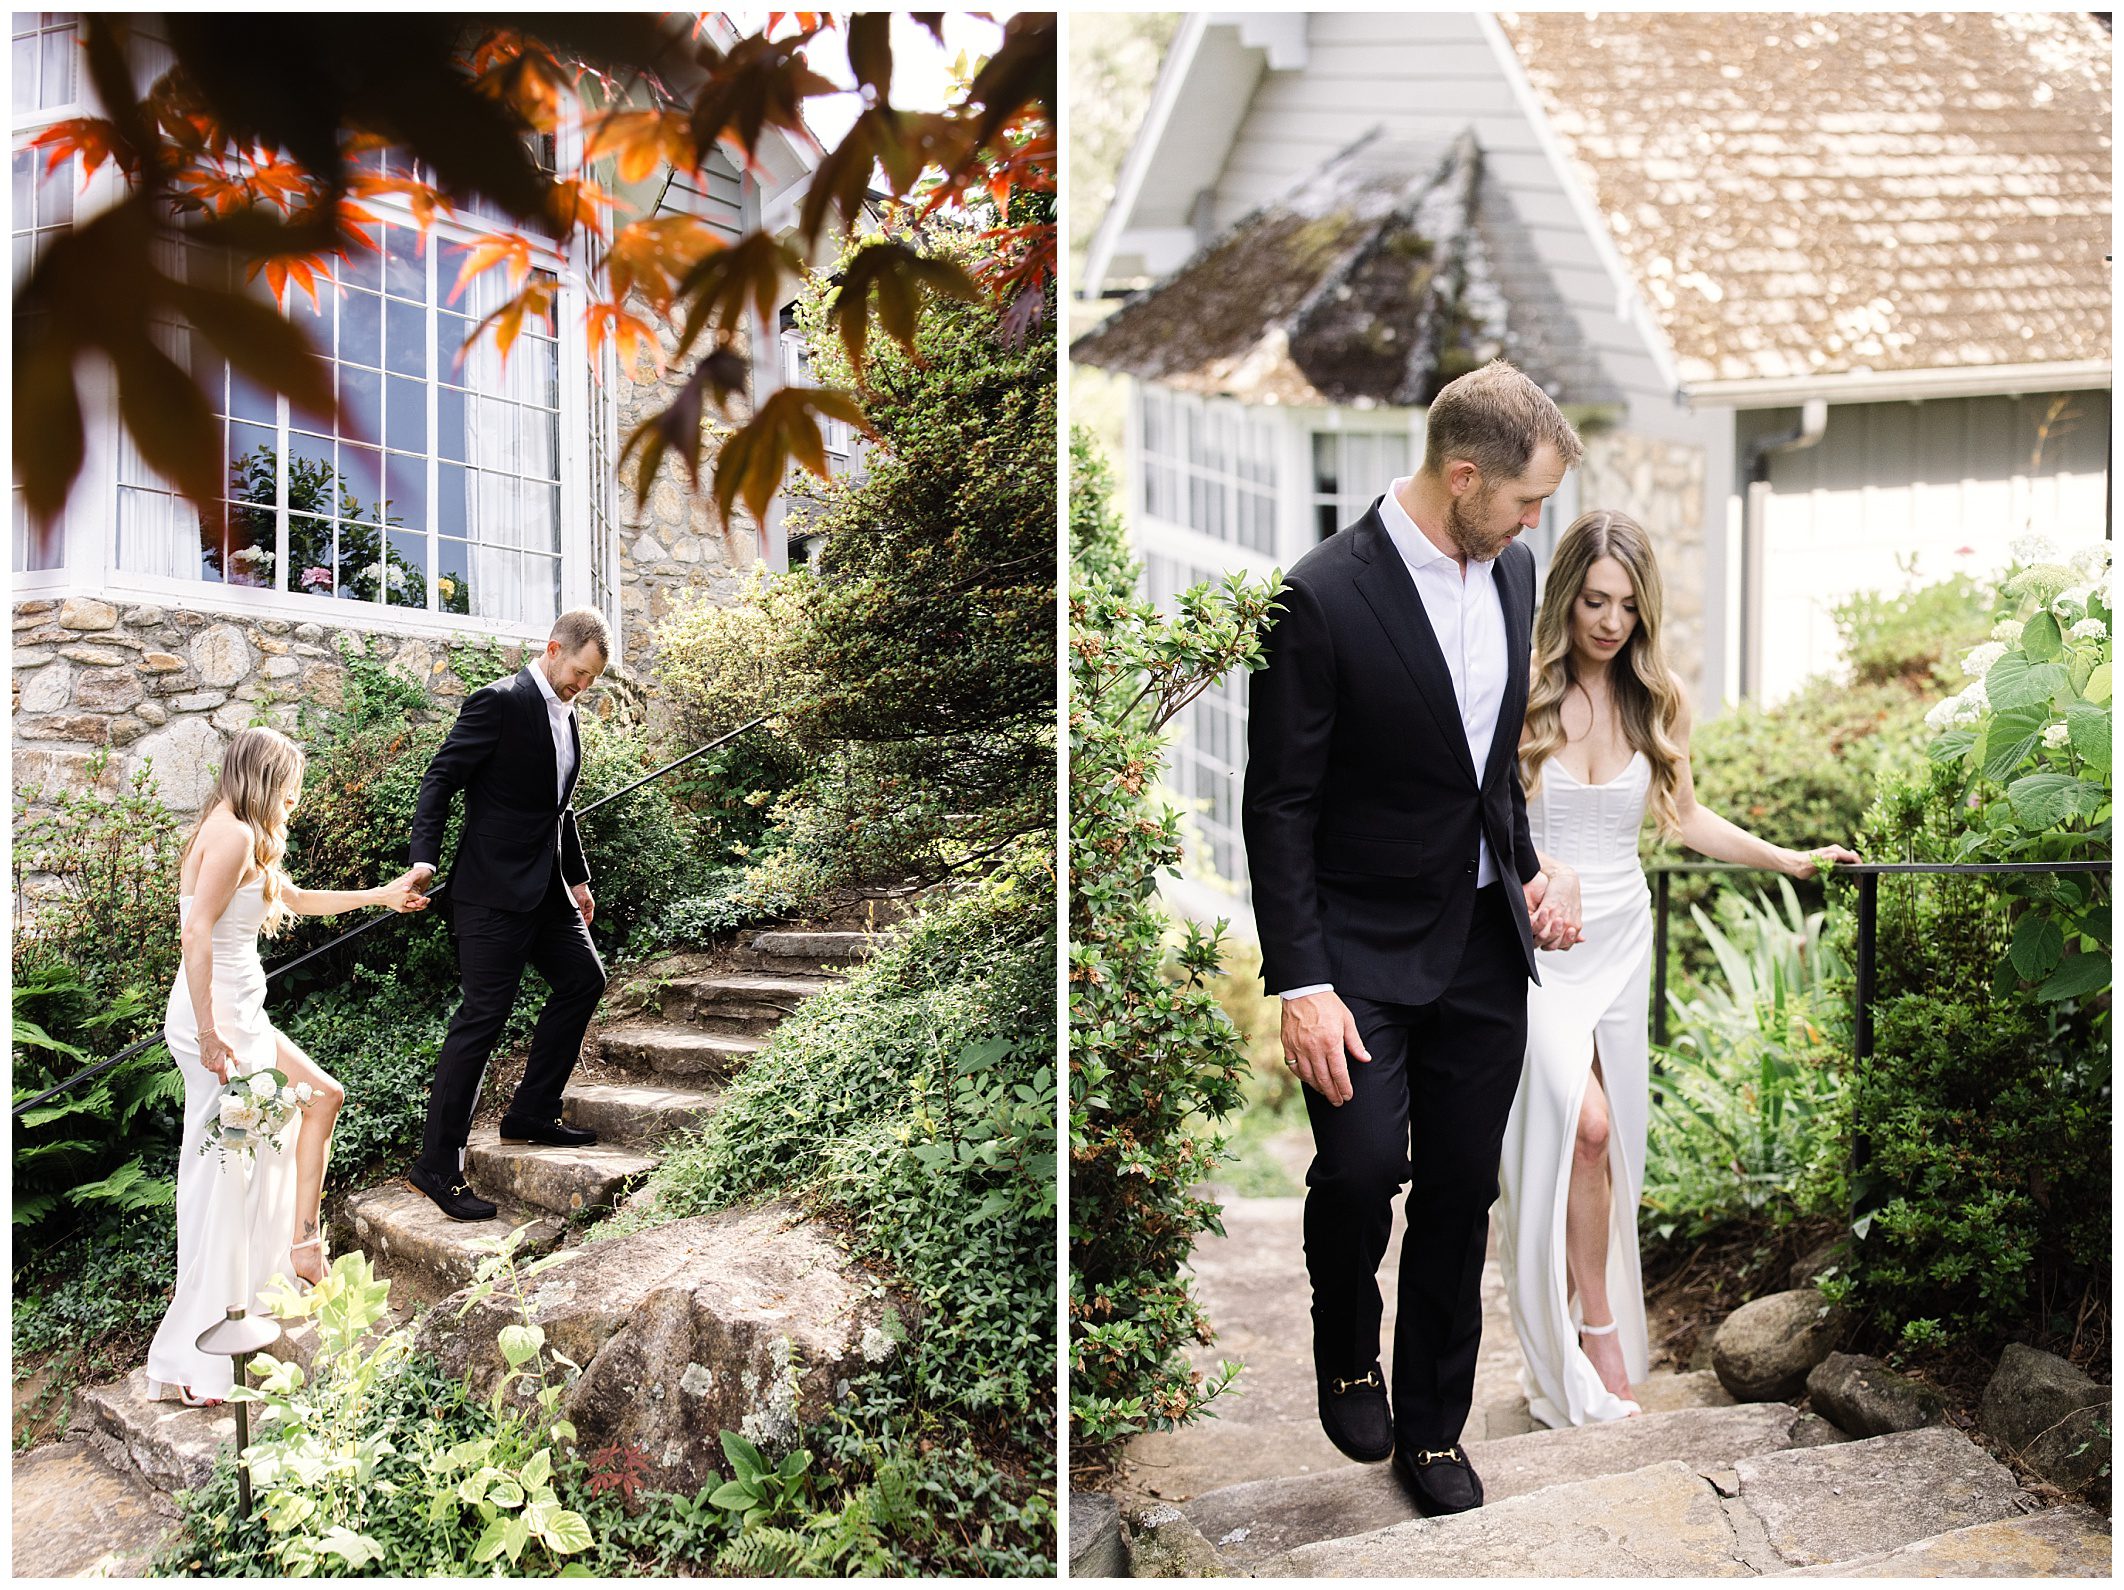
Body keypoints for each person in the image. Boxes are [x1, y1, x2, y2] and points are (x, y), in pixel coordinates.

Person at [1241, 360, 1584, 1517]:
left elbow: (1482, 770)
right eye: (1527, 499)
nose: (1539, 524)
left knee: (1455, 1193)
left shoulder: (1518, 568)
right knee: (1356, 1171)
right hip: (1358, 950)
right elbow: (1279, 804)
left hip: (1483, 942)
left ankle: (1432, 1430)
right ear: (1464, 474)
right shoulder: (1322, 596)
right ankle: (1347, 1340)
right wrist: (1303, 980)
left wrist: (1533, 871)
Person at [1497, 509, 1860, 1427]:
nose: (1609, 621)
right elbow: (1485, 822)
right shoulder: (1523, 688)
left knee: (1611, 1143)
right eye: (1592, 601)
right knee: (1576, 1129)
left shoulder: (1657, 699)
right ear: (1566, 597)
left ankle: (1598, 1320)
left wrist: (1787, 859)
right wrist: (1543, 877)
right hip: (1537, 945)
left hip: (1622, 938)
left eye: (1625, 604)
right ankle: (1586, 1331)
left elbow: (1684, 818)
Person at [146, 726, 428, 1406]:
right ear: (266, 779)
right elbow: (195, 932)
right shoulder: (235, 834)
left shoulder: (240, 831)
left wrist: (382, 895)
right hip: (218, 1023)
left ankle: (301, 1247)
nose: (296, 798)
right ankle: (198, 1359)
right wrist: (212, 1035)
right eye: (292, 784)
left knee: (322, 1097)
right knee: (225, 1178)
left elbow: (294, 901)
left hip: (243, 1016)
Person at [404, 608, 612, 1222]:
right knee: (483, 1018)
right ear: (552, 650)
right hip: (489, 892)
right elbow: (440, 779)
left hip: (546, 889)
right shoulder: (496, 702)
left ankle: (529, 1113)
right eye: (578, 673)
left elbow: (557, 809)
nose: (582, 687)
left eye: (592, 680)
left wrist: (576, 878)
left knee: (584, 980)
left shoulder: (567, 715)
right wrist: (423, 859)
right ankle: (437, 1165)